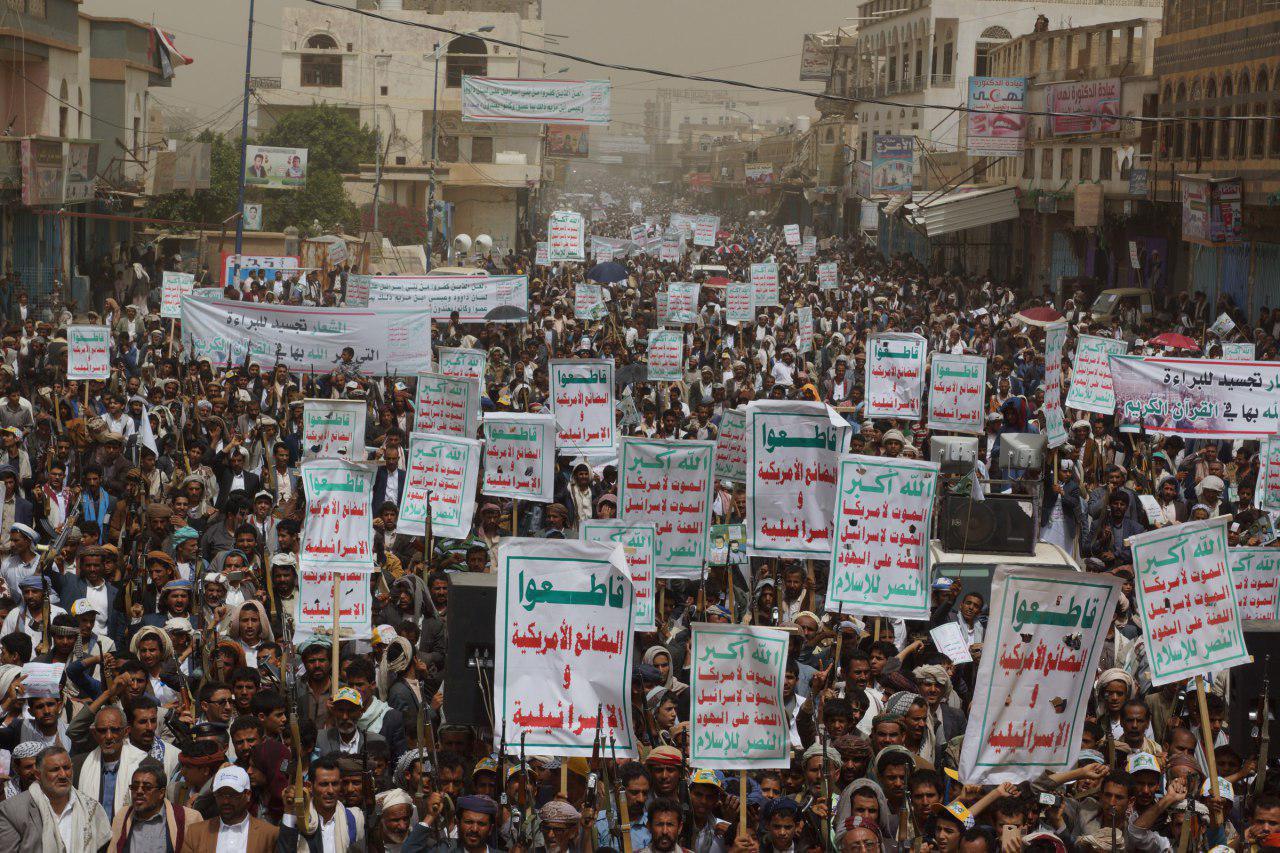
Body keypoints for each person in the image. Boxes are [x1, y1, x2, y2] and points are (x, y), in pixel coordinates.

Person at [0, 745, 112, 852]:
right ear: (38, 775)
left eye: (66, 768)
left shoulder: (91, 808)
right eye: (55, 769)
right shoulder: (12, 811)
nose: (63, 775)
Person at [179, 765, 279, 852]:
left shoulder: (269, 835)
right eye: (220, 795)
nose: (225, 801)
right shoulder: (196, 833)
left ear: (247, 795)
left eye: (232, 795)